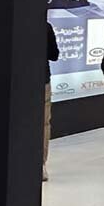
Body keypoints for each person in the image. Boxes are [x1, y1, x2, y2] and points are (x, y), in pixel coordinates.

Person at [44, 22, 59, 181]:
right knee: (43, 123)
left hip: (17, 80)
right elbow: (54, 54)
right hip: (42, 79)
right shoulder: (45, 26)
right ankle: (40, 164)